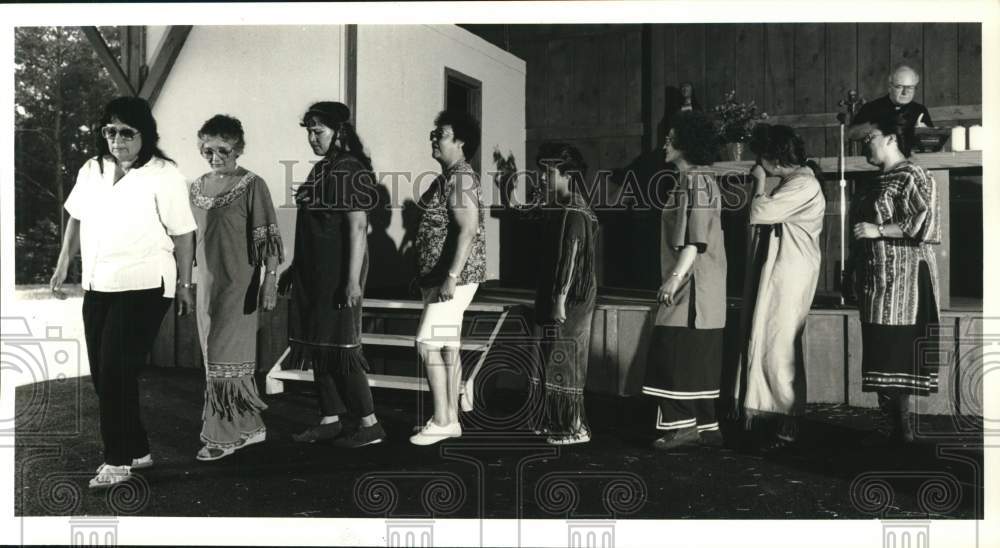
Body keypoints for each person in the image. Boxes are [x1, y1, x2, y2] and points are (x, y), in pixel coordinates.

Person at [50, 96, 196, 488]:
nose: (117, 139)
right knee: (104, 375)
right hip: (99, 283)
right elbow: (76, 218)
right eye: (109, 131)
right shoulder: (91, 169)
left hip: (146, 284)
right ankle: (138, 449)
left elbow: (184, 235)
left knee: (116, 371)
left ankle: (117, 461)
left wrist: (185, 285)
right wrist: (64, 264)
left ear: (145, 135)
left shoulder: (164, 174)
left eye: (127, 132)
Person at [278, 101, 385, 447]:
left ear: (339, 132)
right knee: (318, 346)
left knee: (341, 347)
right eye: (309, 131)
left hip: (338, 273)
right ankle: (330, 418)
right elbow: (314, 227)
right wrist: (295, 266)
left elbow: (357, 227)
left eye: (318, 131)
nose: (311, 138)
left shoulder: (349, 168)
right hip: (314, 272)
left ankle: (369, 424)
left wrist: (352, 280)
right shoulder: (324, 168)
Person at [189, 115, 281, 461]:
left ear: (238, 149)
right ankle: (250, 427)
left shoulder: (253, 185)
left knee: (222, 360)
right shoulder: (195, 187)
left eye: (223, 149)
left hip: (239, 287)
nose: (214, 156)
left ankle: (222, 436)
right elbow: (187, 240)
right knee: (216, 359)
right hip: (206, 288)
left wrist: (269, 281)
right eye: (207, 149)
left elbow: (268, 237)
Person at [847, 112, 941, 444]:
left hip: (904, 284)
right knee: (879, 352)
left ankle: (903, 431)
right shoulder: (875, 180)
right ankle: (890, 426)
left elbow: (925, 223)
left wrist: (879, 229)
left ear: (890, 138)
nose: (864, 146)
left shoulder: (913, 175)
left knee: (896, 353)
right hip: (877, 281)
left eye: (869, 138)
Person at [734, 124, 826, 451]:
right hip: (785, 269)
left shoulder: (803, 183)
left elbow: (759, 212)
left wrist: (759, 181)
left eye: (762, 155)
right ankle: (770, 420)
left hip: (792, 272)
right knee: (770, 340)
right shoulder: (796, 181)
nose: (759, 161)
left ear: (773, 157)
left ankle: (787, 426)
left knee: (779, 344)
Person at [641, 110, 727, 450]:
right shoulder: (692, 179)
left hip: (693, 286)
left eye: (672, 137)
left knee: (674, 351)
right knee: (695, 354)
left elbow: (695, 240)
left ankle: (682, 427)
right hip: (697, 284)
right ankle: (707, 426)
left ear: (686, 144)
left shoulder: (698, 180)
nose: (666, 143)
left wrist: (673, 279)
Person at [410, 110, 487, 446]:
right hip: (441, 277)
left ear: (460, 142)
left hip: (455, 279)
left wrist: (451, 277)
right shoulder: (448, 177)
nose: (433, 139)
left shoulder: (461, 178)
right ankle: (450, 418)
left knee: (426, 344)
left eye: (441, 134)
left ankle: (442, 420)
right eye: (434, 133)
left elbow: (468, 230)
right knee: (446, 345)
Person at [532, 143, 600, 445]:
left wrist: (559, 298)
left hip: (571, 296)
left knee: (566, 355)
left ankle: (574, 427)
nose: (543, 178)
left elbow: (572, 255)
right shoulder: (565, 205)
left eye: (548, 173)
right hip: (563, 292)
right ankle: (558, 420)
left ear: (567, 175)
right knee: (556, 354)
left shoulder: (574, 209)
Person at [850, 65, 933, 135]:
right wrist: (879, 126)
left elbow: (934, 140)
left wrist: (924, 131)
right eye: (899, 87)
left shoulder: (920, 109)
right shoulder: (871, 107)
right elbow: (852, 133)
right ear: (890, 88)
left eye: (910, 88)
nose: (905, 92)